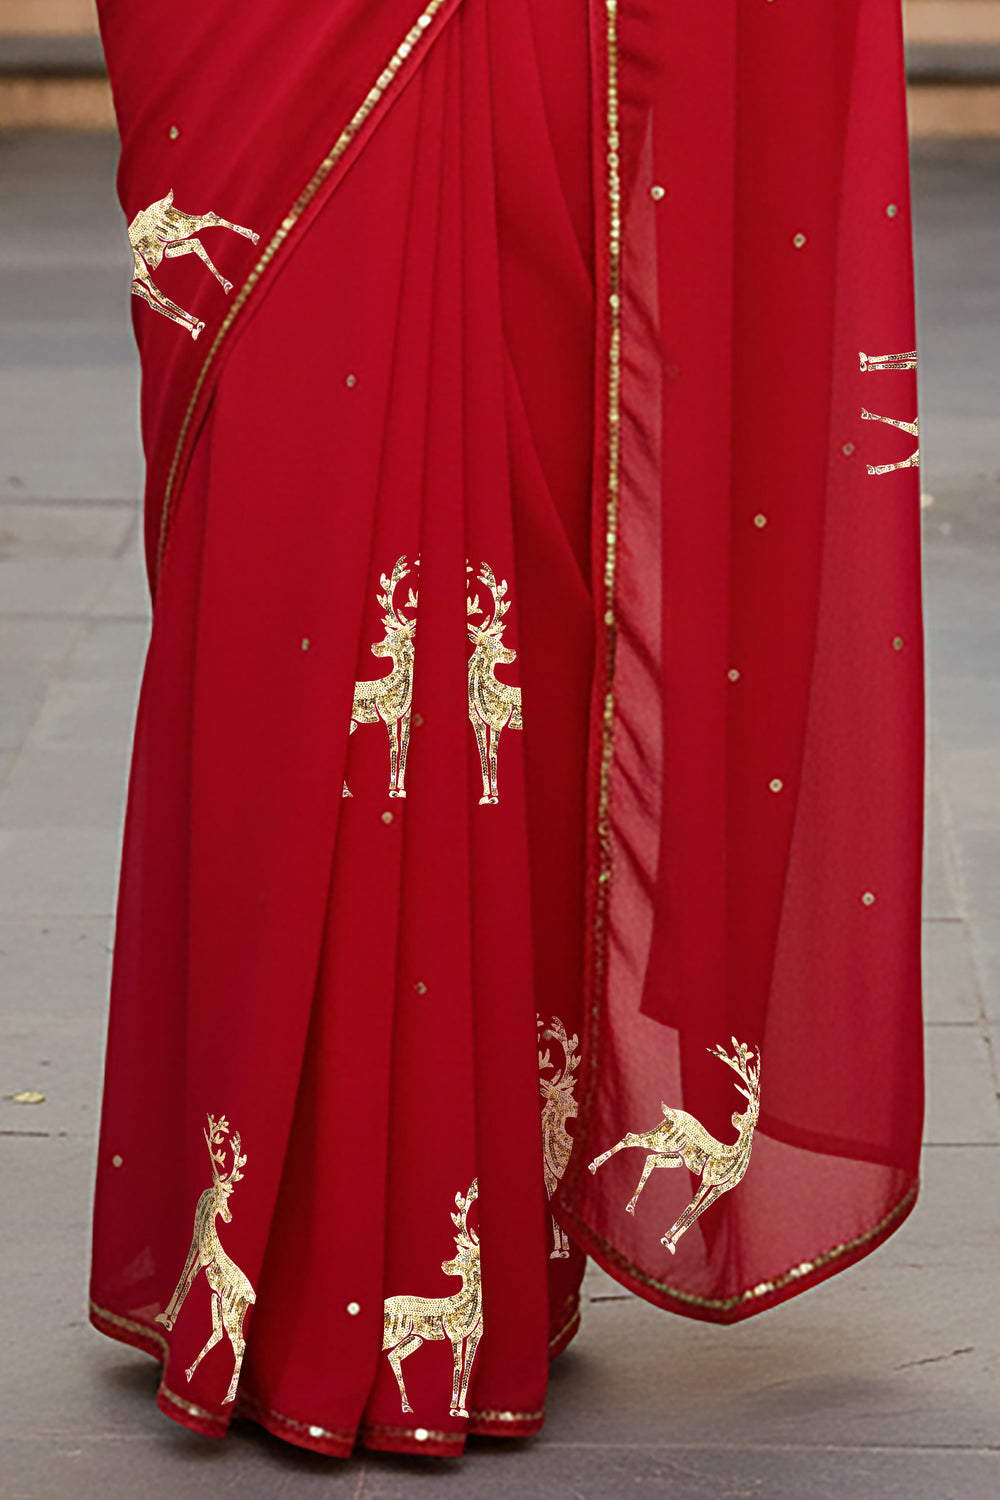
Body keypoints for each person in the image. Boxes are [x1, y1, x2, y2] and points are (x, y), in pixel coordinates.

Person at [90, 0, 924, 1459]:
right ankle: (269, 1234)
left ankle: (454, 1251)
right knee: (285, 552)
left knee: (497, 599)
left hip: (511, 54)